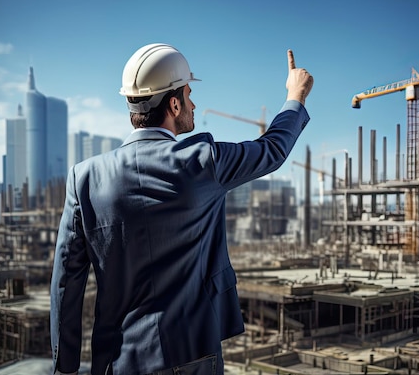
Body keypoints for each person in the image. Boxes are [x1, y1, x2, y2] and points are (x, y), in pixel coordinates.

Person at [50, 43, 313, 375]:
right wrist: (296, 95)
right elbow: (272, 149)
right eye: (188, 95)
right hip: (191, 355)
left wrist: (66, 367)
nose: (193, 104)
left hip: (117, 362)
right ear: (173, 104)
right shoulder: (203, 161)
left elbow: (65, 281)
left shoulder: (84, 178)